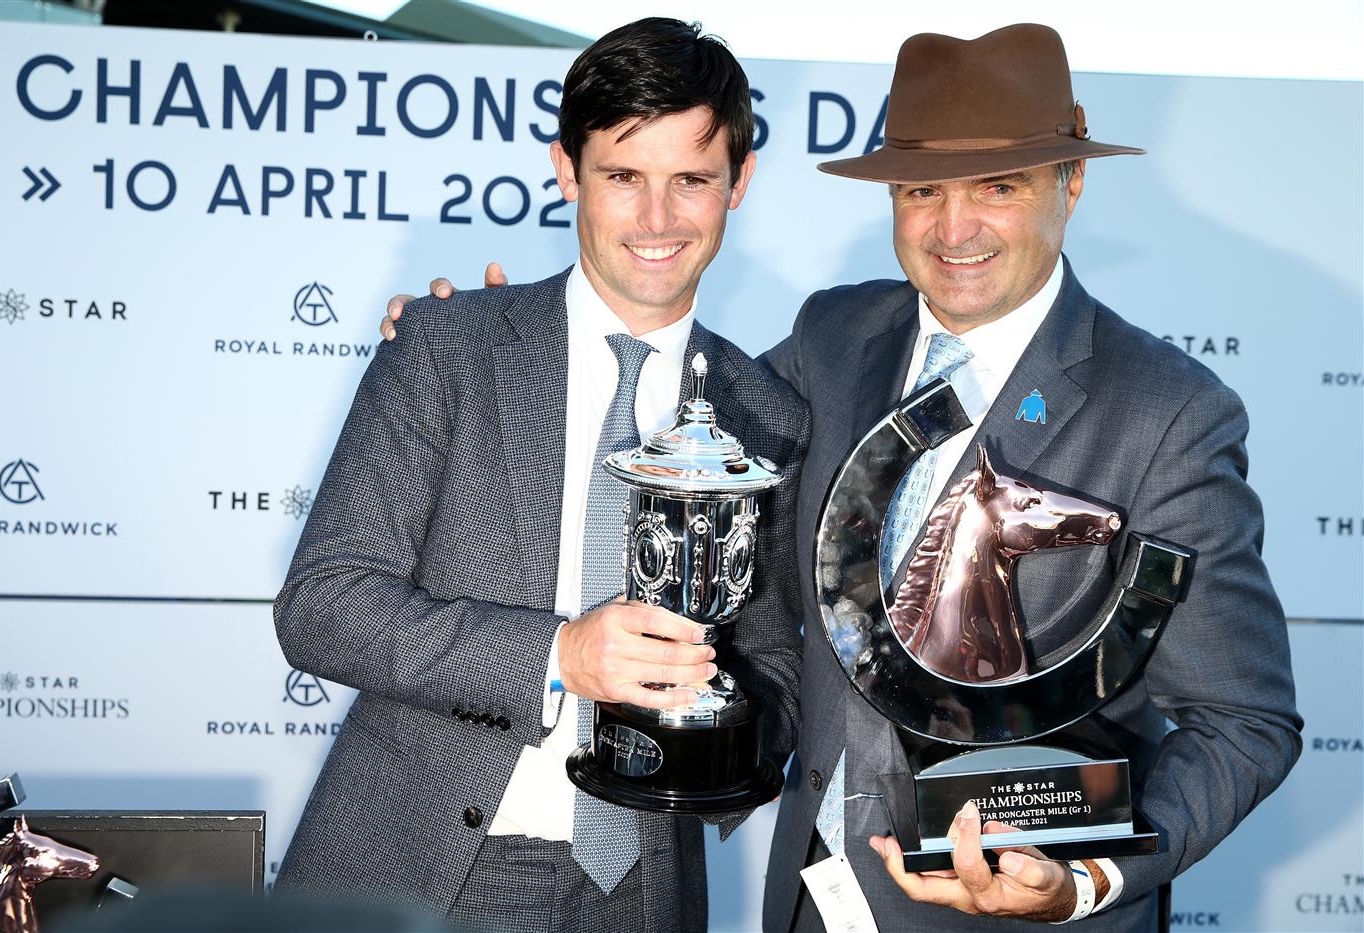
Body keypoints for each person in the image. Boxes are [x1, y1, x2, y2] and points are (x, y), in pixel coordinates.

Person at [382, 23, 1301, 931]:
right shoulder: (835, 339)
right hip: (809, 900)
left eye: (998, 186)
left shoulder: (1167, 413)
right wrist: (497, 347)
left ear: (1073, 180)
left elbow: (1243, 720)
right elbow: (674, 430)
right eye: (922, 190)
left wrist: (1085, 880)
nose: (954, 229)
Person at [274, 18, 807, 933]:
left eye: (691, 179)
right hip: (426, 872)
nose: (657, 219)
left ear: (739, 182)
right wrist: (561, 657)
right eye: (622, 177)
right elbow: (322, 603)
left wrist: (730, 754)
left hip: (644, 894)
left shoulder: (765, 413)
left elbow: (774, 663)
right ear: (567, 170)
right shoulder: (450, 346)